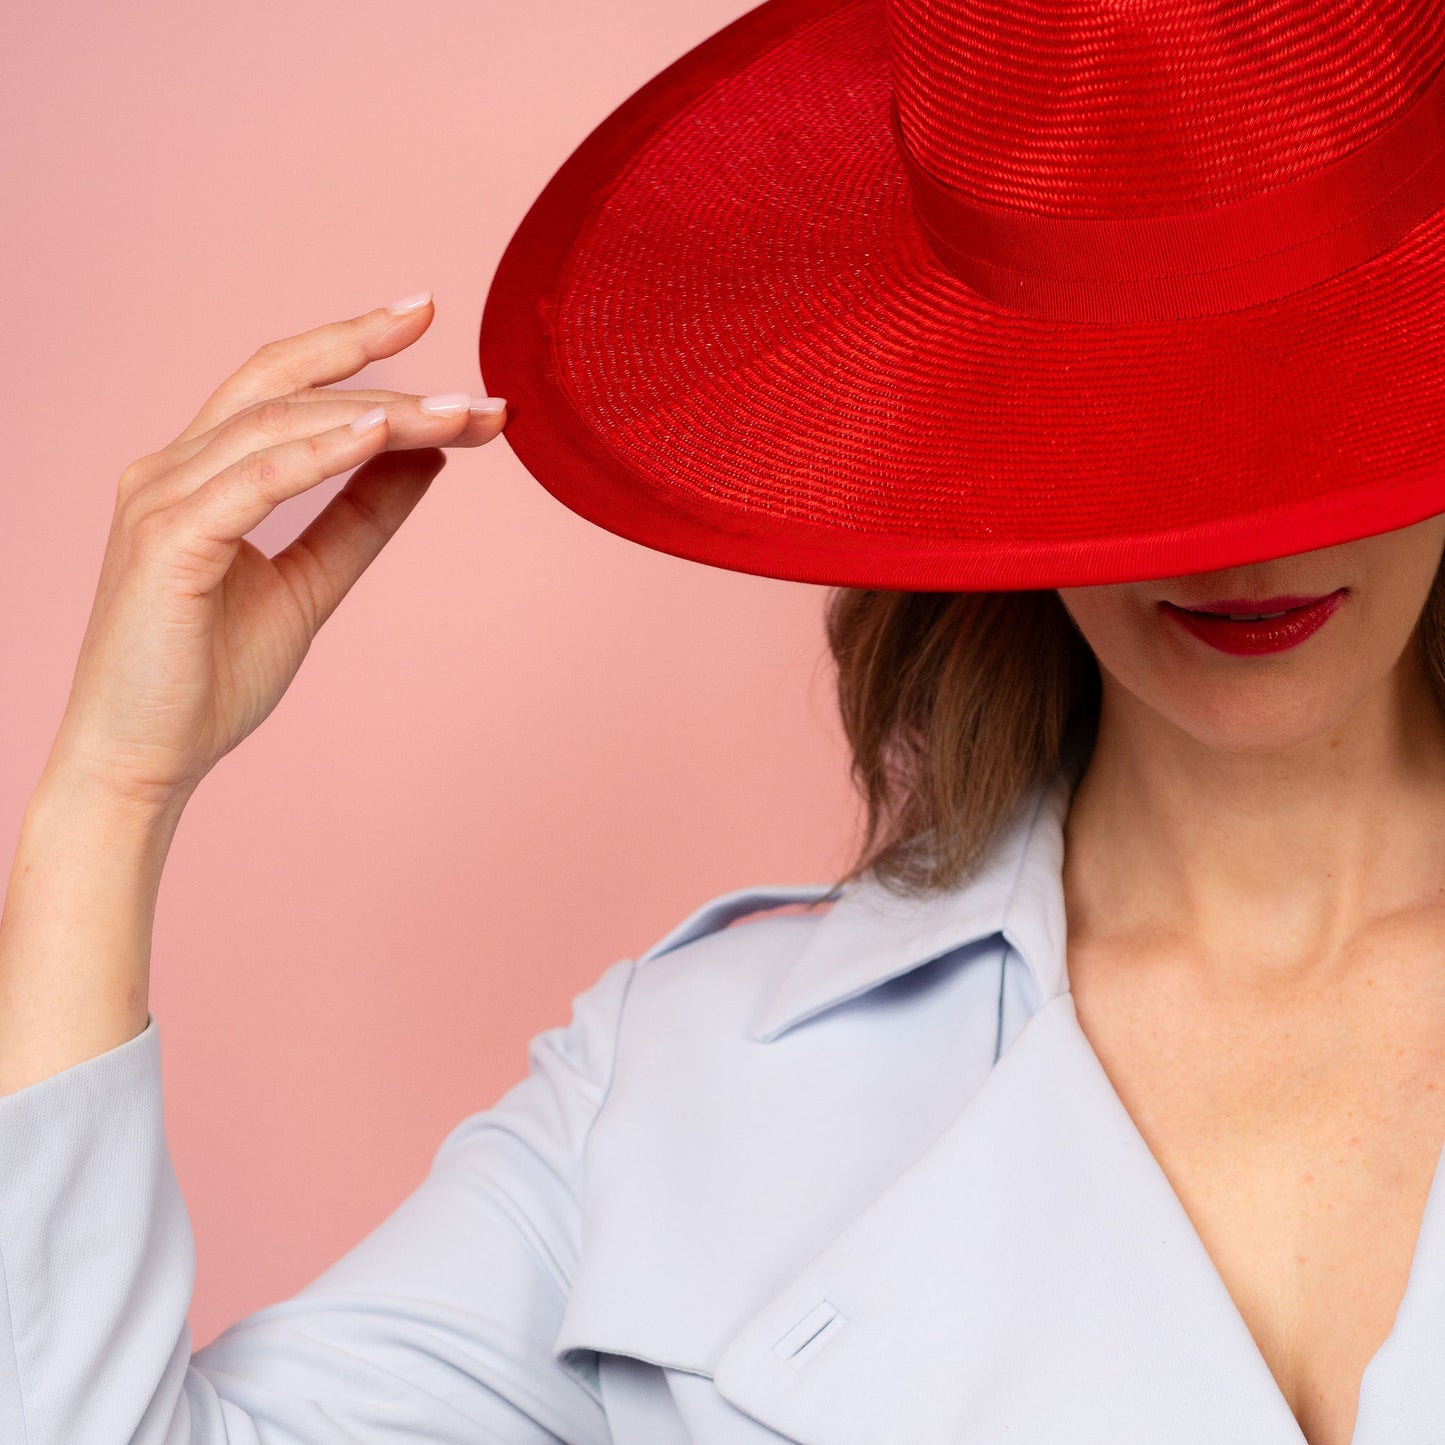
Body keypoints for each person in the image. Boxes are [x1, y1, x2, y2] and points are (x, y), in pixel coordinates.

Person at [3, 1, 1445, 1443]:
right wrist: (109, 797)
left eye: (1334, 386)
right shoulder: (686, 1084)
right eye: (1117, 406)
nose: (1242, 538)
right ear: (973, 418)